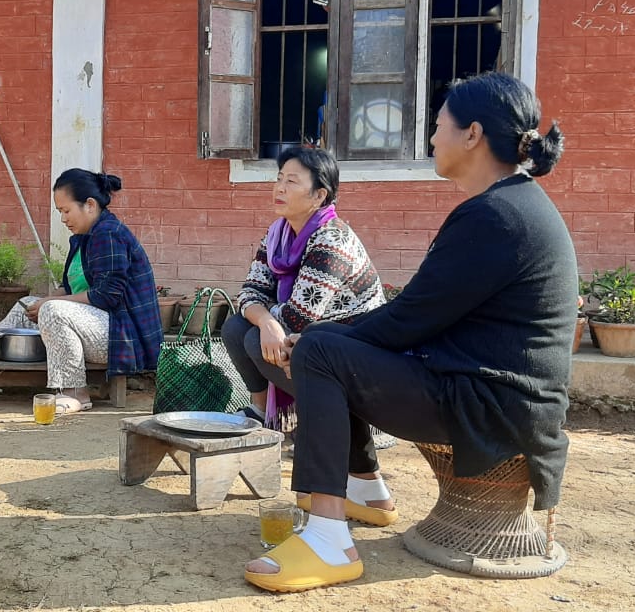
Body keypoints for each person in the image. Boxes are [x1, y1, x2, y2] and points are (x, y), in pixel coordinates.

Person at [244, 72, 577, 593]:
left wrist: (316, 342)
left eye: (439, 125)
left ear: (472, 134)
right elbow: (418, 314)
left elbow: (408, 319)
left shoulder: (497, 216)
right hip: (485, 387)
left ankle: (329, 541)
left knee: (322, 352)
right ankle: (364, 490)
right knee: (325, 345)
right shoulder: (509, 205)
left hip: (493, 404)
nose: (431, 138)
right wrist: (324, 338)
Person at [221, 147, 391, 517]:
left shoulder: (332, 239)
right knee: (236, 328)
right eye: (279, 178)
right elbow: (249, 293)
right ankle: (264, 412)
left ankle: (325, 429)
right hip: (316, 339)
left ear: (319, 195)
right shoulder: (277, 234)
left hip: (359, 346)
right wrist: (266, 320)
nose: (279, 187)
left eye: (292, 181)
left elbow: (299, 317)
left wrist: (265, 320)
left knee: (255, 339)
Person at [0, 169, 162, 414]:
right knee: (27, 304)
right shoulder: (85, 237)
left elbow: (107, 295)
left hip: (122, 335)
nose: (63, 219)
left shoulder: (108, 234)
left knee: (52, 311)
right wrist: (47, 300)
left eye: (66, 210)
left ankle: (74, 392)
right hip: (95, 324)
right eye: (60, 212)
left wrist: (50, 304)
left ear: (90, 205)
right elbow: (72, 288)